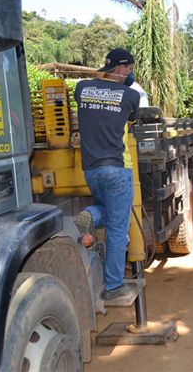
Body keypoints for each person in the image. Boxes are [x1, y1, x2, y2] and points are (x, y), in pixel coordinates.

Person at [74, 48, 141, 302]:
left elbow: (94, 88)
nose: (130, 73)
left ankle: (90, 214)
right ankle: (113, 286)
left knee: (106, 210)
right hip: (116, 169)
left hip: (91, 169)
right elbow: (131, 121)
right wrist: (124, 89)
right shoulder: (131, 95)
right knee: (117, 229)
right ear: (122, 68)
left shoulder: (81, 88)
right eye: (129, 69)